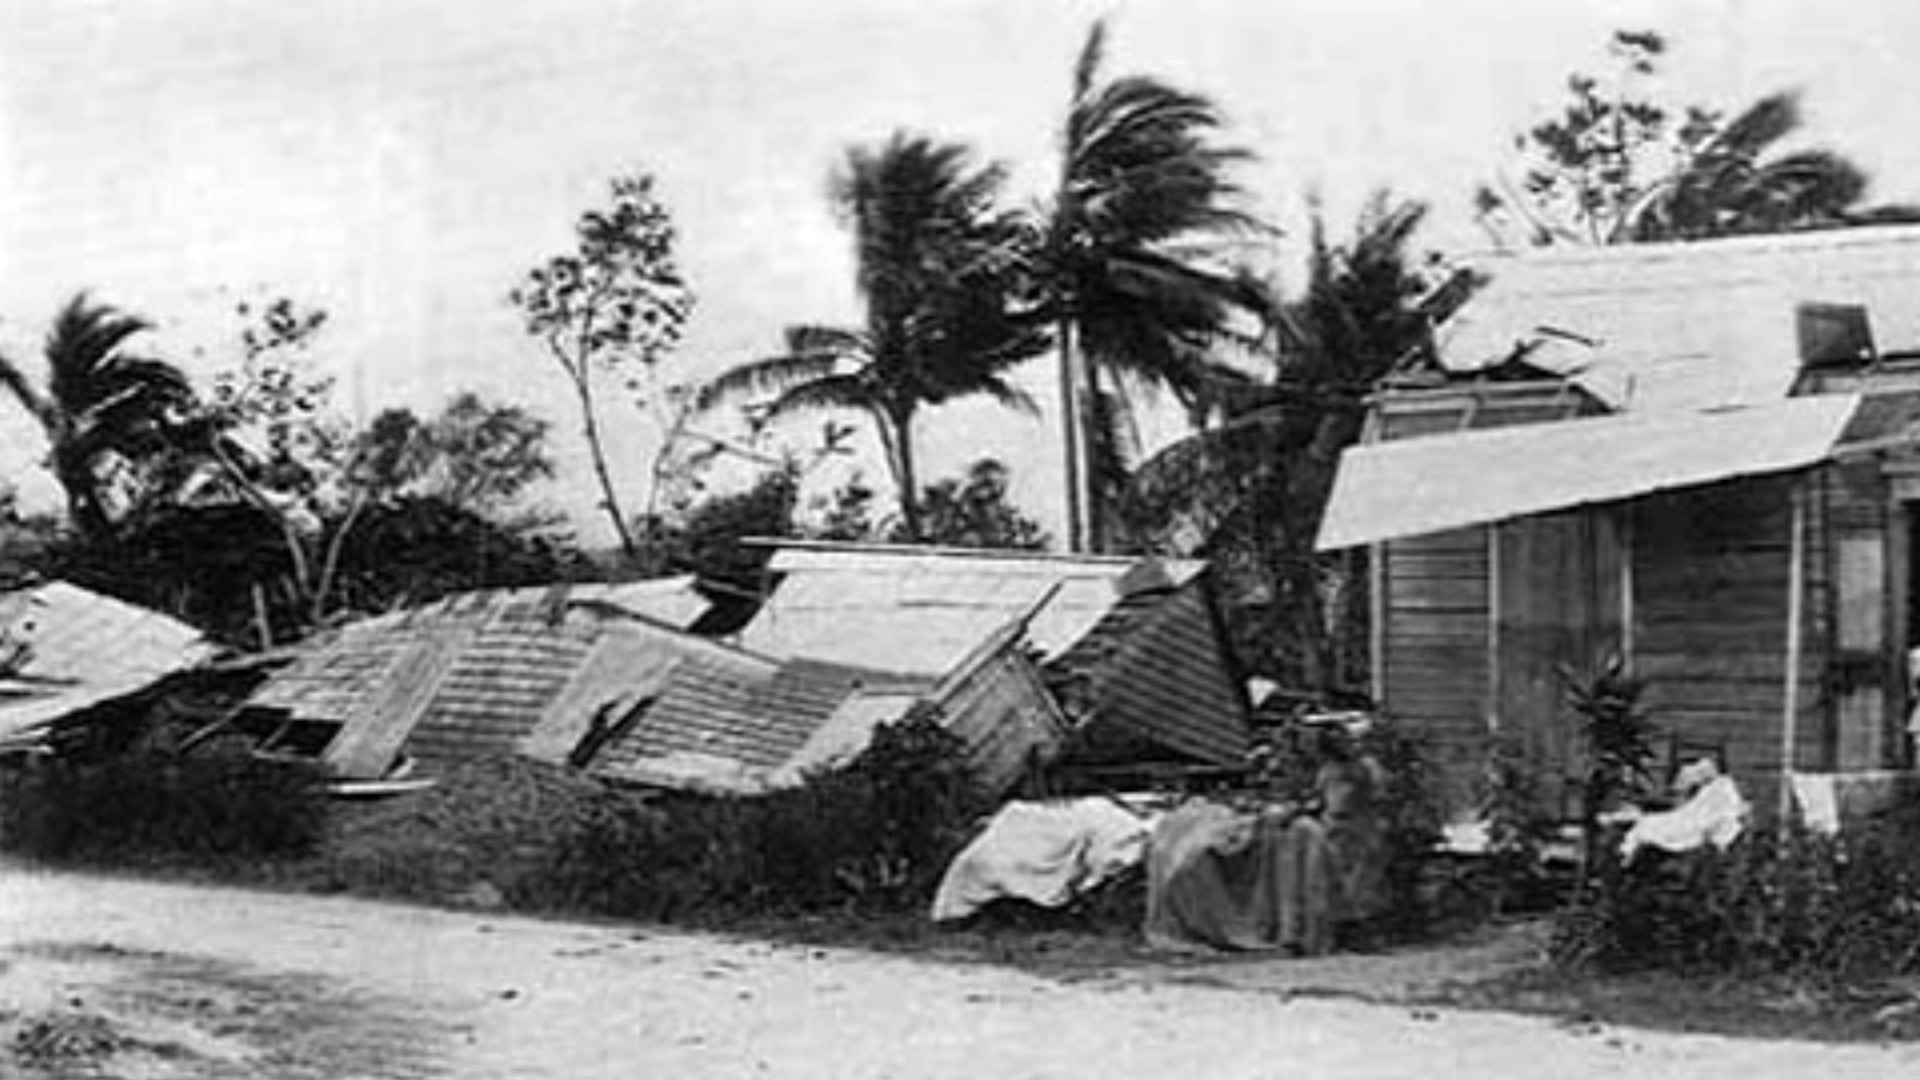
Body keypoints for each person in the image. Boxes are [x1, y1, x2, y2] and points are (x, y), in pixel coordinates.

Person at [1312, 722, 1390, 950]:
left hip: (1360, 825)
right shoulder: (1327, 770)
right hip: (1334, 827)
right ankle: (1341, 934)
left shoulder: (1366, 767)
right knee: (1336, 880)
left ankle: (1366, 935)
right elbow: (1320, 797)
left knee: (1363, 882)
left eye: (1343, 740)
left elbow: (1378, 795)